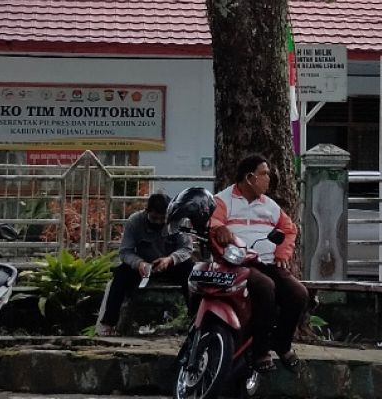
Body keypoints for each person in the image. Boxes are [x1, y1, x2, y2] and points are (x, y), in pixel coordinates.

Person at [210, 154, 308, 372]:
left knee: (298, 293)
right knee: (265, 288)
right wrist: (220, 228)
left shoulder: (270, 206)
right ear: (249, 177)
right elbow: (213, 220)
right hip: (238, 263)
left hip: (268, 263)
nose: (268, 179)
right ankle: (260, 351)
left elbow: (289, 228)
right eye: (264, 174)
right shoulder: (223, 200)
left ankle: (282, 344)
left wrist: (283, 252)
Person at [96, 192, 193, 336]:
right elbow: (125, 251)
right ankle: (109, 323)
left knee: (191, 273)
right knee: (120, 274)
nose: (159, 222)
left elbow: (186, 248)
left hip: (171, 263)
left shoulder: (179, 221)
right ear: (147, 211)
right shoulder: (135, 221)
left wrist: (170, 259)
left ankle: (195, 319)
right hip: (143, 265)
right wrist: (139, 263)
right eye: (154, 218)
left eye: (163, 219)